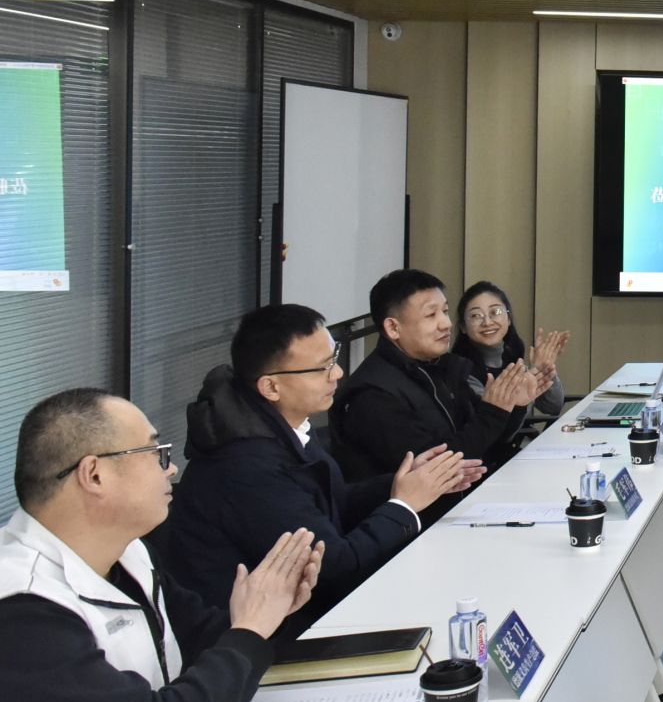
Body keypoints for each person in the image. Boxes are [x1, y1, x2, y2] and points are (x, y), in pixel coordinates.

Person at [0, 388, 323, 702]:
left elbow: (207, 639)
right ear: (94, 475)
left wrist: (270, 610)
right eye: (155, 453)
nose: (170, 468)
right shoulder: (20, 607)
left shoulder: (130, 554)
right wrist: (249, 631)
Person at [150, 304, 482, 627]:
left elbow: (331, 503)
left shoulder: (279, 426)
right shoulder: (244, 466)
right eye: (322, 367)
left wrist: (407, 482)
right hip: (270, 639)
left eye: (334, 358)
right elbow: (334, 567)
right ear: (271, 386)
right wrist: (404, 506)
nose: (337, 373)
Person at [330, 268, 551, 481]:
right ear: (393, 328)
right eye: (431, 314)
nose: (446, 324)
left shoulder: (441, 367)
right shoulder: (373, 396)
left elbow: (485, 443)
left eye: (445, 311)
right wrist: (494, 411)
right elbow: (438, 470)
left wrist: (514, 405)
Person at [451, 280, 569, 420]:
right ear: (463, 326)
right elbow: (492, 426)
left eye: (496, 312)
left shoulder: (511, 357)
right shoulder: (461, 371)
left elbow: (553, 407)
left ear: (508, 319)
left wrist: (544, 370)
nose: (487, 322)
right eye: (476, 315)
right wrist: (532, 376)